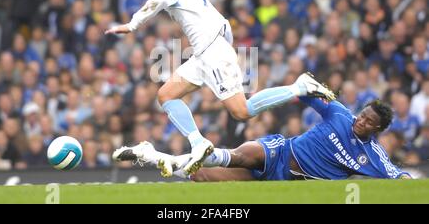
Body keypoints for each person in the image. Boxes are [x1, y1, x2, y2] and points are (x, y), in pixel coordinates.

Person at [107, 0, 336, 176]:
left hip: (212, 51)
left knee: (241, 111)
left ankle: (300, 87)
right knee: (166, 94)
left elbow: (157, 3)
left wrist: (132, 24)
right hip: (203, 53)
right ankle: (198, 143)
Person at [113, 76, 412, 180]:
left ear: (377, 129)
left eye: (369, 122)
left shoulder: (372, 156)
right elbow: (304, 92)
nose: (361, 121)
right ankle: (159, 154)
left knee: (201, 175)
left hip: (293, 180)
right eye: (362, 115)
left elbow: (399, 178)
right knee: (242, 155)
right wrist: (309, 86)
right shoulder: (340, 114)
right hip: (281, 151)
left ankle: (151, 155)